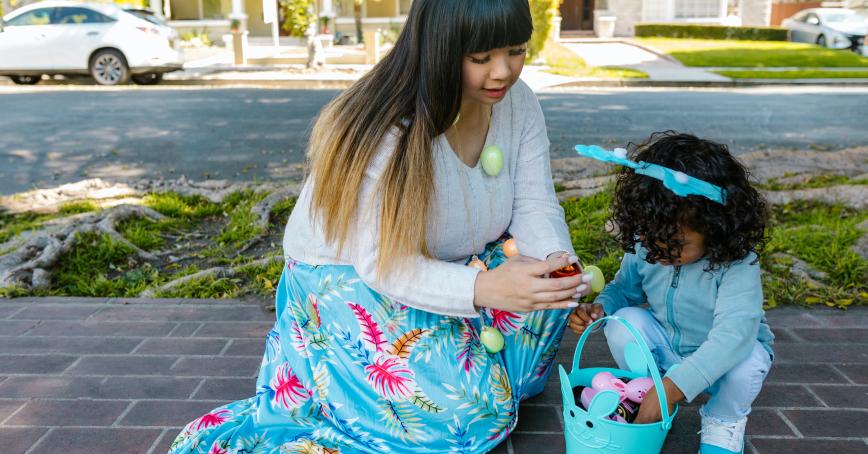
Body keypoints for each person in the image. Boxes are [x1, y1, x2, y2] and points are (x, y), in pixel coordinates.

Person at [169, 1, 592, 452]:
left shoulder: (518, 103)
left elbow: (535, 205)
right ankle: (438, 378)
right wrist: (485, 289)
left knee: (551, 296)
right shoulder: (390, 129)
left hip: (458, 265)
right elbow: (385, 266)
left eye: (517, 50)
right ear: (440, 49)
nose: (504, 72)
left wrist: (561, 273)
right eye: (481, 58)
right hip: (356, 278)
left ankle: (467, 363)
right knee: (467, 419)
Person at [569, 132, 774, 454]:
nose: (659, 251)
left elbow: (733, 336)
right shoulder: (648, 242)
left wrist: (672, 388)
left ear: (715, 227)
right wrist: (601, 307)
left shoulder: (738, 265)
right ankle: (646, 391)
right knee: (624, 321)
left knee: (750, 359)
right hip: (668, 350)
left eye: (676, 245)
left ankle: (722, 420)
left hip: (722, 360)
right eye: (651, 239)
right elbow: (624, 289)